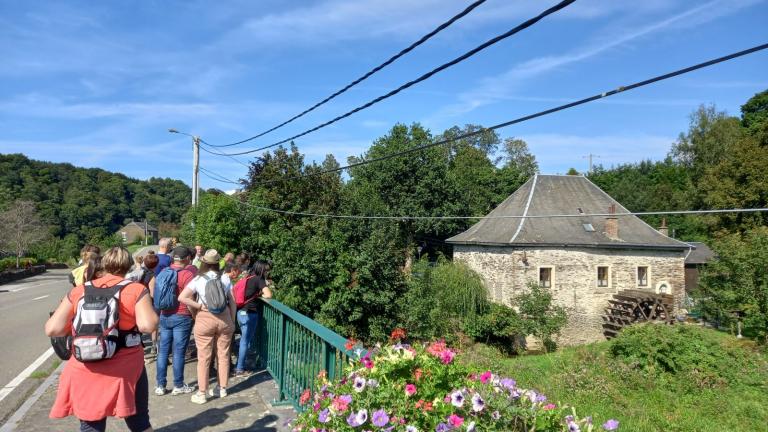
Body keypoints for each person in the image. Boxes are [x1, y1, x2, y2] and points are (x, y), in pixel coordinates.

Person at [45, 247, 158, 432]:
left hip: (84, 364)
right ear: (129, 266)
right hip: (126, 366)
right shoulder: (135, 289)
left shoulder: (80, 290)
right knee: (139, 421)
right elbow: (148, 325)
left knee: (91, 424)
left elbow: (52, 328)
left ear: (103, 264)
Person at [179, 249, 236, 404]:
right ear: (218, 262)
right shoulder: (224, 278)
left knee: (204, 357)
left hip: (204, 318)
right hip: (224, 319)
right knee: (223, 355)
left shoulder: (197, 279)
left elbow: (182, 297)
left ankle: (202, 393)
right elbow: (232, 302)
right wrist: (231, 320)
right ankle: (221, 388)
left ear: (204, 262)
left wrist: (197, 307)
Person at [154, 246, 197, 396]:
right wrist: (194, 315)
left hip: (164, 315)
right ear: (188, 259)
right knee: (178, 352)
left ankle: (160, 385)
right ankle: (178, 385)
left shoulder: (163, 272)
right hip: (182, 316)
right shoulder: (187, 275)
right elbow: (190, 298)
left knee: (163, 352)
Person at [234, 260, 272, 377]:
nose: (267, 272)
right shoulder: (259, 279)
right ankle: (240, 368)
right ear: (262, 269)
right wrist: (262, 294)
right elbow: (269, 295)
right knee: (245, 341)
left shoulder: (249, 277)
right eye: (266, 270)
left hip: (240, 312)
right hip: (250, 313)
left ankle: (241, 364)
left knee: (245, 340)